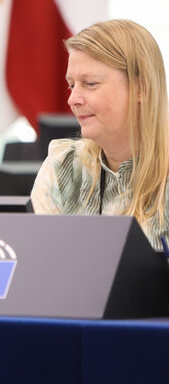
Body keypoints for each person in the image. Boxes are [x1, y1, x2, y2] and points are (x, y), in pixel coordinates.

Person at [31, 19, 169, 250]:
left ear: (141, 88)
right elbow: (38, 264)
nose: (72, 99)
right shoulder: (63, 164)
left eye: (90, 83)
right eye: (71, 85)